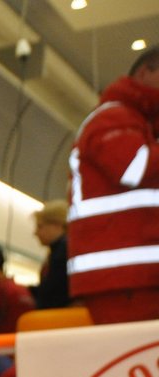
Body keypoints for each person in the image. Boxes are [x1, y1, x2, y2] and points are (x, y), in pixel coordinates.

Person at [68, 45, 159, 324]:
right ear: (145, 72)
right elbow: (133, 167)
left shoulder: (137, 121)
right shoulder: (113, 117)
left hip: (127, 275)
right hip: (125, 276)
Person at [30, 201, 69, 311]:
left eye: (40, 226)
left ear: (57, 225)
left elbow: (53, 293)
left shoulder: (62, 252)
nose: (35, 233)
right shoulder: (59, 251)